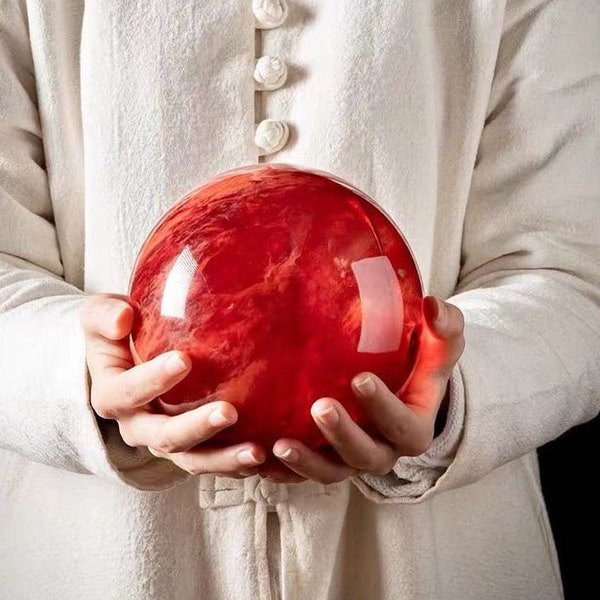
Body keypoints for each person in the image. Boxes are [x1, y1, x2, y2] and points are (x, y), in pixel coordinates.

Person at [0, 1, 598, 598]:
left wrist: (450, 395)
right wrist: (85, 380)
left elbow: (572, 271)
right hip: (99, 555)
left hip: (441, 562)